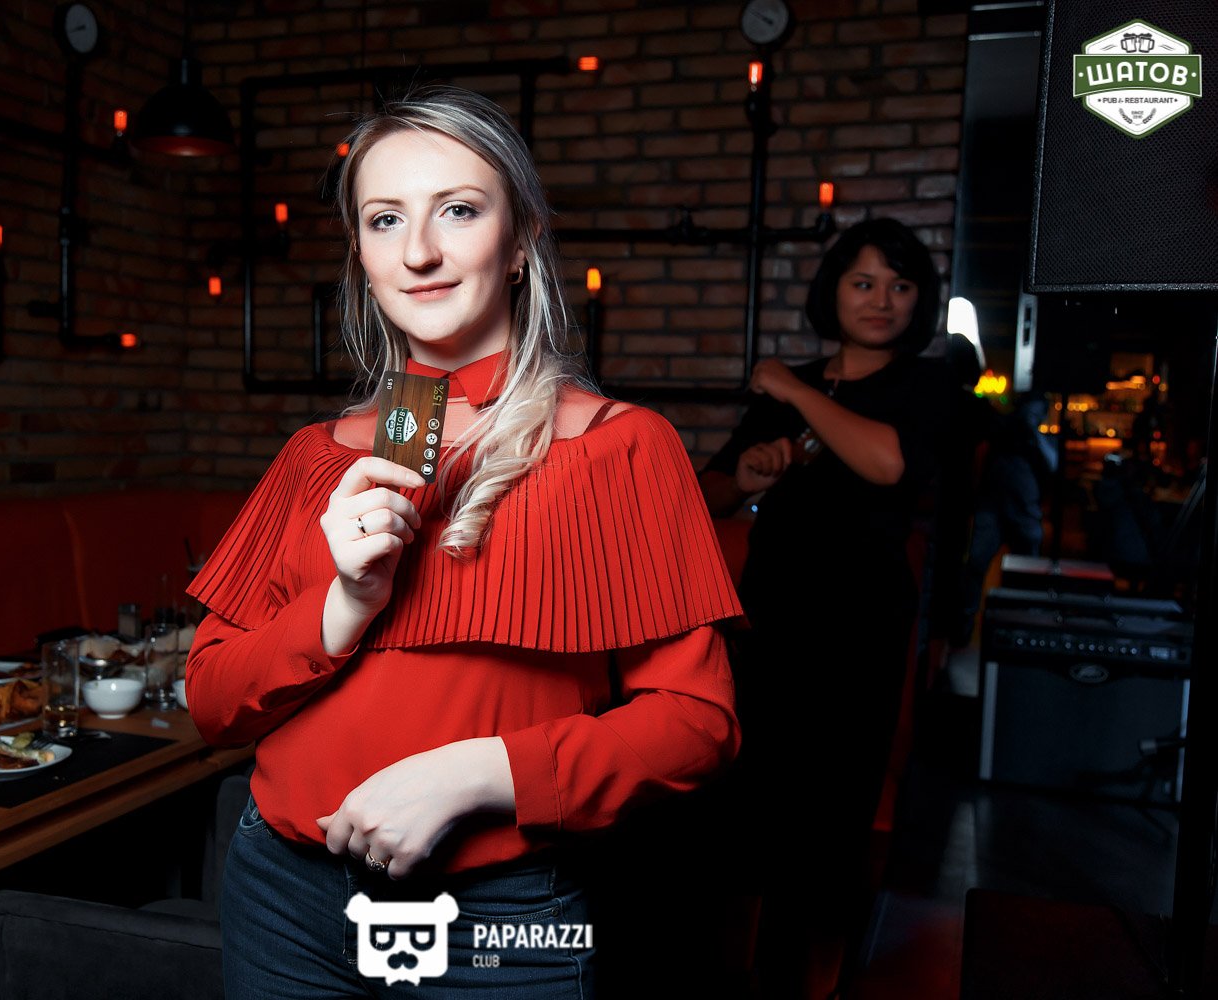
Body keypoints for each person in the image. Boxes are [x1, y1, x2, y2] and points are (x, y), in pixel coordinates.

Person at [184, 85, 742, 999]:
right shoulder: (315, 457)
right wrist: (343, 604)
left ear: (520, 241)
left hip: (500, 915)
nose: (419, 252)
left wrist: (481, 775)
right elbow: (210, 703)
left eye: (458, 210)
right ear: (361, 256)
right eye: (385, 220)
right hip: (281, 898)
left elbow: (698, 726)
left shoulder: (620, 447)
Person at [699, 218, 952, 1000]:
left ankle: (806, 978)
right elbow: (708, 494)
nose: (881, 300)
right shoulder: (794, 384)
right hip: (773, 620)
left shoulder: (924, 384)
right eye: (863, 282)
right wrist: (747, 475)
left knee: (831, 811)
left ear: (919, 300)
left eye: (901, 285)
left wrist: (796, 390)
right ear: (834, 291)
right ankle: (728, 968)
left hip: (861, 628)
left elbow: (887, 463)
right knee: (749, 800)